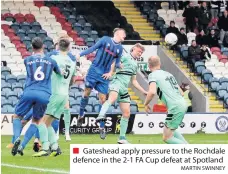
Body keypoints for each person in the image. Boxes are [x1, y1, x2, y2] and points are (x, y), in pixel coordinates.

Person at [11, 37, 63, 156]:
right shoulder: (51, 61)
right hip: (44, 94)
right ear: (43, 46)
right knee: (36, 120)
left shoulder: (27, 60)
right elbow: (60, 74)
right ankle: (23, 146)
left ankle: (17, 138)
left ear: (32, 47)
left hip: (29, 91)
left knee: (17, 116)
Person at [33, 37, 76, 157]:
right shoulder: (72, 62)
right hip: (64, 95)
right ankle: (56, 148)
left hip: (54, 93)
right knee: (48, 123)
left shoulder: (53, 58)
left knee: (40, 121)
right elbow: (73, 81)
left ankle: (46, 148)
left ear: (57, 46)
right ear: (68, 48)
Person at [96, 43, 147, 141]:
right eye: (139, 51)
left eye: (141, 52)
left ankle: (122, 138)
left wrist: (143, 91)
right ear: (133, 49)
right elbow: (114, 62)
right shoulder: (125, 56)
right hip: (117, 82)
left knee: (127, 113)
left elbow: (134, 81)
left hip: (124, 87)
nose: (140, 53)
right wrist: (110, 72)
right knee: (112, 99)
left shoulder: (135, 64)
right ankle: (101, 115)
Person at [76, 28, 126, 127]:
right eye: (124, 34)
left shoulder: (120, 48)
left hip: (104, 75)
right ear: (118, 33)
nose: (125, 36)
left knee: (103, 99)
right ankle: (81, 113)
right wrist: (80, 54)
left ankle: (101, 125)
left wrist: (117, 67)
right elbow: (93, 48)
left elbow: (116, 63)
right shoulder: (105, 39)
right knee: (86, 92)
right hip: (94, 71)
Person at [144, 56, 188, 144]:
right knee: (171, 130)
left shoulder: (152, 75)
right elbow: (182, 93)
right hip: (182, 103)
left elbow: (152, 92)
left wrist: (145, 104)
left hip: (175, 107)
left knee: (167, 138)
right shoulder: (168, 74)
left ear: (149, 66)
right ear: (160, 64)